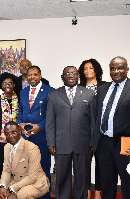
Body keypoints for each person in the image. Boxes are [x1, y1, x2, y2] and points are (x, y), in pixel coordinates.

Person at [46, 66, 95, 199]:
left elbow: (93, 122)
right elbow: (50, 122)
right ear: (62, 77)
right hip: (61, 143)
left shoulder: (89, 94)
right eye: (67, 74)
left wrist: (92, 141)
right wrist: (51, 142)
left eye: (73, 73)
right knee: (62, 177)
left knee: (82, 177)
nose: (70, 76)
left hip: (83, 143)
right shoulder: (53, 95)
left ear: (78, 76)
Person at [92, 56, 130, 199]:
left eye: (119, 68)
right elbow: (97, 116)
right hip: (104, 143)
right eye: (112, 68)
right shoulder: (103, 89)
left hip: (125, 143)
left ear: (126, 69)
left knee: (127, 183)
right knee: (107, 183)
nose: (116, 71)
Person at [17, 65, 54, 199]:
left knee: (43, 166)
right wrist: (19, 123)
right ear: (26, 77)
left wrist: (40, 126)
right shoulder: (23, 92)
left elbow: (52, 114)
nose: (32, 77)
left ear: (40, 76)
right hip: (25, 135)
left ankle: (44, 195)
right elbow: (21, 110)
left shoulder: (50, 91)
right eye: (29, 75)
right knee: (25, 168)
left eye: (35, 74)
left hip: (41, 135)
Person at [0, 121, 50, 199]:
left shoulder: (32, 148)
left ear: (19, 132)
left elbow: (32, 177)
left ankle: (19, 194)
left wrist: (11, 188)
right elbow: (6, 170)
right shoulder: (7, 147)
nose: (10, 136)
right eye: (7, 134)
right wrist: (2, 186)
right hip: (18, 180)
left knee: (22, 195)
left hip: (36, 182)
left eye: (13, 132)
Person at [78, 58, 107, 199]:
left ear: (96, 69)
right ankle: (87, 191)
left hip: (102, 131)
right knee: (84, 164)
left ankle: (98, 192)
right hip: (83, 131)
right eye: (85, 69)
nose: (88, 71)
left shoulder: (105, 86)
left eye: (90, 68)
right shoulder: (79, 88)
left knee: (100, 163)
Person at [0, 72, 19, 181]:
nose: (7, 86)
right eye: (5, 83)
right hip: (0, 138)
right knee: (0, 164)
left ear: (14, 85)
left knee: (15, 165)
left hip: (16, 139)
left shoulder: (19, 99)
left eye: (10, 83)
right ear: (1, 85)